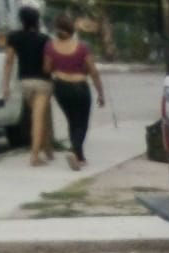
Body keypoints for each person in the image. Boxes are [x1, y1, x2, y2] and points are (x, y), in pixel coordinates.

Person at [44, 13, 104, 171]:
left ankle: (80, 157)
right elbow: (93, 71)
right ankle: (74, 149)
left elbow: (46, 68)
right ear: (71, 29)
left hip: (61, 88)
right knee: (82, 123)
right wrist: (100, 92)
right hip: (79, 87)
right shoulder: (82, 47)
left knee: (72, 121)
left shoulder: (50, 47)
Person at [2, 5, 53, 166]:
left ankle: (47, 149)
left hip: (24, 82)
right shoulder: (44, 38)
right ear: (37, 21)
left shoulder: (13, 37)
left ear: (21, 20)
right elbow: (48, 65)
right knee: (38, 118)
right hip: (42, 82)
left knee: (39, 116)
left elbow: (9, 61)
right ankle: (35, 156)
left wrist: (6, 85)